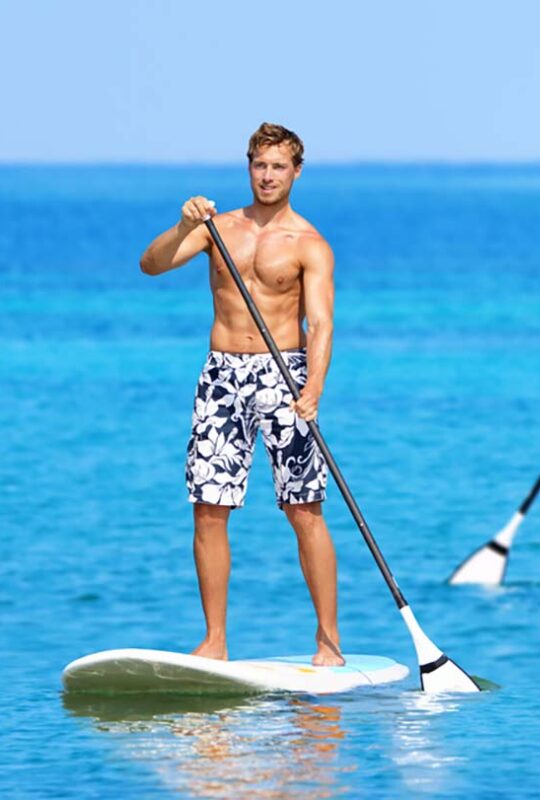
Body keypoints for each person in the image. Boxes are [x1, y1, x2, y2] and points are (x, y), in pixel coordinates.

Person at [140, 123, 344, 665]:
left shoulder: (310, 243)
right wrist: (180, 224)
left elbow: (321, 323)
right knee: (208, 508)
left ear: (296, 172)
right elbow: (152, 264)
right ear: (248, 168)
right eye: (260, 165)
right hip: (222, 375)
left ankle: (328, 640)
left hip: (286, 377)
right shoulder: (217, 228)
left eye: (279, 166)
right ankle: (215, 641)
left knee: (304, 508)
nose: (268, 175)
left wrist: (314, 386)